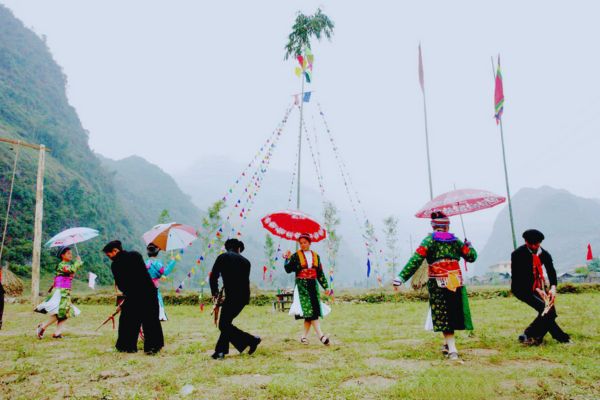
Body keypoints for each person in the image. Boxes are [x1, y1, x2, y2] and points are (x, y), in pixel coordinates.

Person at [393, 212, 477, 362]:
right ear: (447, 226)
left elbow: (416, 259)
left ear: (433, 226)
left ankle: (452, 349)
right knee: (453, 312)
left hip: (438, 282)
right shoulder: (456, 241)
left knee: (444, 315)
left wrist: (401, 277)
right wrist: (469, 245)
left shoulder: (429, 241)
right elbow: (471, 257)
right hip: (455, 280)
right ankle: (447, 344)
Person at [102, 240, 164, 354]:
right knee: (150, 320)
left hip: (132, 294)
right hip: (148, 292)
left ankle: (126, 347)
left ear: (115, 251)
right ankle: (153, 347)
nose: (109, 257)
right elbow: (143, 275)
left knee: (128, 321)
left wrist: (126, 296)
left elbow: (121, 284)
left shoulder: (115, 265)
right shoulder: (135, 255)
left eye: (109, 254)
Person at [511, 229, 571, 345]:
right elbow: (520, 276)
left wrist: (553, 287)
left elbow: (551, 271)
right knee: (547, 310)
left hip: (538, 286)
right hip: (521, 288)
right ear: (525, 241)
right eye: (530, 244)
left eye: (536, 244)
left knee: (549, 311)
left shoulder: (544, 254)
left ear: (540, 242)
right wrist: (538, 290)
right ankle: (560, 337)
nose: (533, 246)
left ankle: (528, 335)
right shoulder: (518, 254)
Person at [209, 238, 261, 360]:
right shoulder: (246, 262)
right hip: (243, 298)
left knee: (223, 325)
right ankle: (220, 352)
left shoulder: (222, 257)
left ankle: (252, 340)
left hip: (231, 296)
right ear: (238, 248)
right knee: (226, 324)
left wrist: (215, 293)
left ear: (227, 248)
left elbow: (213, 277)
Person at [283, 233, 332, 346]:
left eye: (305, 242)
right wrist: (287, 258)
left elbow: (320, 273)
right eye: (301, 243)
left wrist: (326, 286)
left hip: (313, 286)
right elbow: (288, 269)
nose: (303, 245)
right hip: (302, 286)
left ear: (310, 243)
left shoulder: (316, 256)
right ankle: (321, 336)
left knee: (311, 311)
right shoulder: (295, 256)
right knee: (310, 311)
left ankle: (303, 337)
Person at [35, 247, 82, 339]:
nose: (70, 255)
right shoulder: (62, 265)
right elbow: (71, 269)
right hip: (61, 291)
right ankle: (42, 326)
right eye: (68, 253)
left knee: (65, 312)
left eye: (71, 253)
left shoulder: (66, 265)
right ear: (62, 255)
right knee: (62, 311)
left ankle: (57, 333)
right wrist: (78, 262)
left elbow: (70, 273)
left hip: (65, 291)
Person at [145, 243, 177, 321]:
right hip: (154, 284)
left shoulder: (145, 263)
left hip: (145, 284)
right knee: (158, 299)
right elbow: (164, 272)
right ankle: (160, 316)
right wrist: (172, 262)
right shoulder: (158, 263)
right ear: (157, 253)